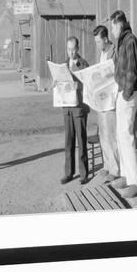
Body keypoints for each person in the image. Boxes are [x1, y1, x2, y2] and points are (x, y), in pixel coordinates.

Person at [110, 10, 137, 198]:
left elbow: (133, 71)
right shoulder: (123, 40)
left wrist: (126, 93)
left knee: (127, 135)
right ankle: (125, 174)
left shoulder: (129, 40)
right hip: (123, 93)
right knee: (120, 135)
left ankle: (134, 183)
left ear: (119, 24)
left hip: (128, 95)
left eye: (113, 27)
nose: (112, 31)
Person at [59, 36, 90, 185]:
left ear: (78, 49)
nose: (71, 52)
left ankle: (84, 174)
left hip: (79, 109)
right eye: (68, 49)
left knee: (81, 141)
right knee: (68, 142)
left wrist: (80, 86)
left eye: (73, 49)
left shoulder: (83, 64)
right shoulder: (63, 65)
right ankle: (68, 173)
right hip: (67, 108)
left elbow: (89, 84)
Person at [93, 25, 120, 182]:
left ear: (105, 39)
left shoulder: (113, 52)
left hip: (110, 99)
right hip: (101, 99)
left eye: (98, 42)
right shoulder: (102, 53)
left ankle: (115, 169)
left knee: (111, 135)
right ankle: (107, 165)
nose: (97, 45)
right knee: (102, 134)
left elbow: (115, 74)